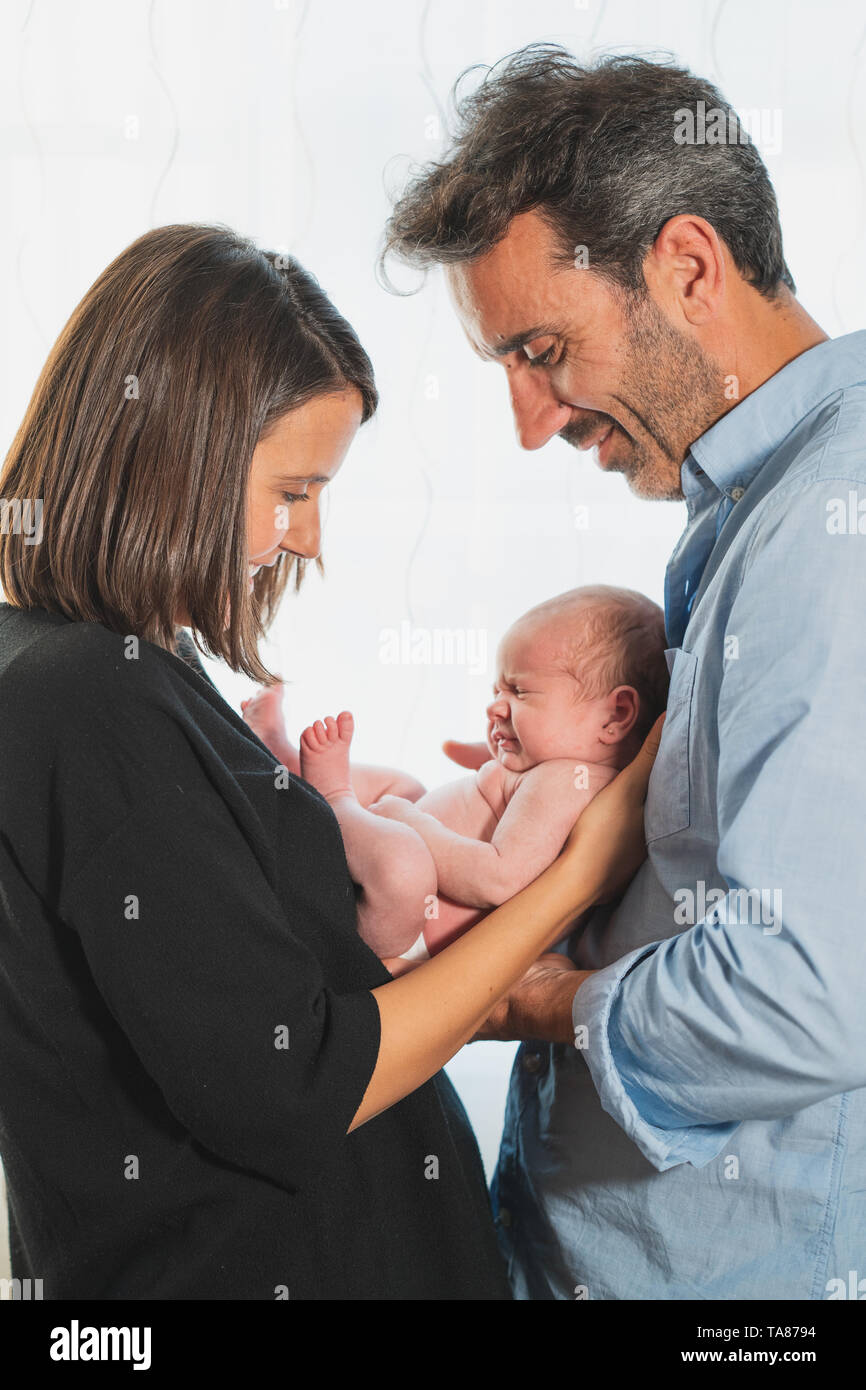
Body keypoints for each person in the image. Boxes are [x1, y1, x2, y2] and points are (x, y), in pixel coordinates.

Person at [0, 221, 661, 1300]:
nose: (306, 539)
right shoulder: (91, 697)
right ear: (180, 452)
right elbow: (296, 1077)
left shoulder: (92, 673)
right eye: (293, 490)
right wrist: (579, 872)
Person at [381, 44, 866, 1299]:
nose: (529, 420)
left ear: (688, 266)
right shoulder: (757, 515)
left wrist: (536, 998)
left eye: (542, 348)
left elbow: (805, 997)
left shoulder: (833, 529)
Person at [244, 585, 668, 974]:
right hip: (397, 888)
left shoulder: (566, 782)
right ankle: (292, 768)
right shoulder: (572, 770)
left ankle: (333, 798)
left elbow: (498, 880)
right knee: (405, 786)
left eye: (518, 692)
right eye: (494, 692)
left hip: (404, 924)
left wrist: (413, 821)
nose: (495, 707)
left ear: (616, 715)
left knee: (403, 847)